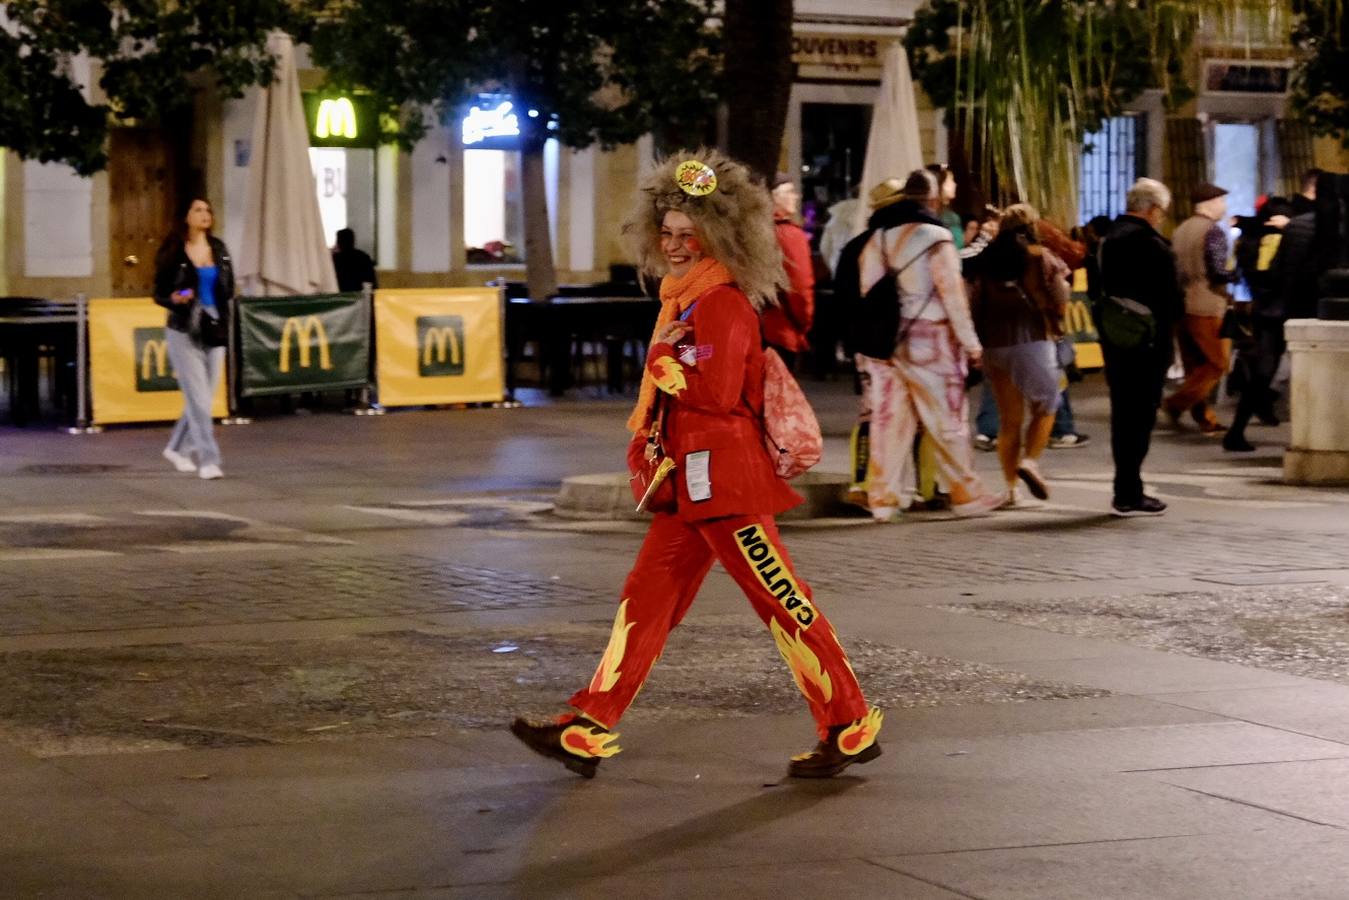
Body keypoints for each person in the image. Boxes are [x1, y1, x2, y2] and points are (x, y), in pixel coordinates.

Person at [510, 151, 883, 780]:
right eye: (670, 233)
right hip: (691, 486)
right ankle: (589, 725)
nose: (677, 245)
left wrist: (663, 366)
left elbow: (711, 394)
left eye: (691, 234)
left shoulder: (721, 304)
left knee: (783, 600)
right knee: (645, 601)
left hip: (727, 484)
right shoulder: (684, 301)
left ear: (720, 237)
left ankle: (847, 722)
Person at [851, 170, 1000, 521]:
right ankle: (967, 494)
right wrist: (972, 344)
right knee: (947, 418)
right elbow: (952, 296)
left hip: (886, 343)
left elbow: (868, 296)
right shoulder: (937, 237)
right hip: (932, 339)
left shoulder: (877, 239)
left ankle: (883, 499)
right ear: (931, 199)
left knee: (890, 420)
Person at [970, 204, 1070, 506]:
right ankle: (1031, 461)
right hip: (1032, 341)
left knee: (1009, 420)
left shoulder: (985, 259)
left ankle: (1011, 487)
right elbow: (1060, 294)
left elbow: (974, 301)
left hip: (994, 346)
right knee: (1047, 405)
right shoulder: (1040, 257)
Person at [1098, 178, 1184, 516]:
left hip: (1115, 338)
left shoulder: (1108, 240)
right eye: (1161, 211)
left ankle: (1125, 487)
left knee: (1122, 413)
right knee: (1141, 414)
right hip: (1148, 342)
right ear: (1152, 209)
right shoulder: (1153, 246)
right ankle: (1129, 489)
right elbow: (1171, 302)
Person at [152, 197, 233, 481]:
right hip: (184, 326)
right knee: (198, 397)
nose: (204, 214)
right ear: (185, 216)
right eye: (197, 210)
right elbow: (159, 292)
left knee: (204, 397)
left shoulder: (219, 249)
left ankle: (176, 448)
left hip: (214, 325)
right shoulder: (173, 250)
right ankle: (209, 460)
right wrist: (175, 298)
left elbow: (228, 288)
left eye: (208, 210)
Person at [1224, 204, 1316, 452]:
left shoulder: (1248, 239)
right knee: (1281, 371)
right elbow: (1275, 273)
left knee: (1264, 372)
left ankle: (1238, 429)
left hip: (1267, 310)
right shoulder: (1282, 236)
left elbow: (1240, 271)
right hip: (1287, 310)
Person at [1164, 183, 1239, 434]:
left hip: (1182, 303)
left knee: (1195, 366)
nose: (1224, 207)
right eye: (1221, 202)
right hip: (1206, 303)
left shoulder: (1180, 229)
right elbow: (1218, 270)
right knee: (1217, 363)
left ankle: (1205, 418)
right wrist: (1236, 274)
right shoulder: (1213, 231)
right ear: (1209, 204)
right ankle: (1175, 404)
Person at [761, 174, 815, 369]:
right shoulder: (789, 235)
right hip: (780, 328)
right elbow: (800, 287)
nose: (796, 196)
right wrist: (804, 323)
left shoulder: (753, 232)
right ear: (773, 197)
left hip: (753, 326)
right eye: (790, 192)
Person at [926, 163, 966, 250]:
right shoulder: (950, 218)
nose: (955, 184)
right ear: (939, 184)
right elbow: (955, 249)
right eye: (951, 180)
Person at [332, 228, 377, 293]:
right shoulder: (363, 257)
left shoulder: (335, 259)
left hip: (340, 297)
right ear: (353, 240)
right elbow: (372, 282)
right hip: (361, 297)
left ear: (338, 241)